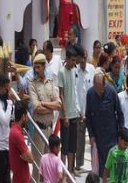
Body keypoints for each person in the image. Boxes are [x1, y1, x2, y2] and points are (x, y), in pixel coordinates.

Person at [29, 53, 62, 182]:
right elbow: (37, 108)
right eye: (35, 67)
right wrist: (50, 106)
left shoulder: (50, 82)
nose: (36, 70)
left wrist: (45, 103)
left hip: (49, 129)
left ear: (44, 67)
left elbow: (59, 104)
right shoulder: (32, 84)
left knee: (49, 166)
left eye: (38, 67)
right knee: (38, 166)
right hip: (39, 129)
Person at [86, 72, 125, 177]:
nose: (98, 92)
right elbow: (88, 116)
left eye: (100, 89)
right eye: (96, 89)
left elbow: (120, 114)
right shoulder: (90, 94)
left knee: (112, 168)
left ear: (104, 85)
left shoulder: (111, 92)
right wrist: (91, 135)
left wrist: (121, 135)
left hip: (112, 137)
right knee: (100, 169)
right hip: (97, 138)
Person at [58, 45, 80, 173]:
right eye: (72, 60)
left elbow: (74, 91)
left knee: (73, 145)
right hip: (65, 115)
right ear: (67, 59)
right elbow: (61, 94)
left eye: (75, 60)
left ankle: (70, 171)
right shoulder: (62, 72)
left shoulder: (73, 70)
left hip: (74, 113)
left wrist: (79, 110)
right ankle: (62, 171)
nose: (74, 62)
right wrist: (65, 115)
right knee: (64, 146)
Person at [76, 46, 95, 172]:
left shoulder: (92, 69)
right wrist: (79, 111)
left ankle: (95, 165)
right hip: (79, 111)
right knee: (79, 139)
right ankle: (78, 164)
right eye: (81, 58)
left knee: (94, 138)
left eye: (84, 57)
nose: (83, 60)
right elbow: (75, 92)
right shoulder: (74, 71)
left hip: (92, 111)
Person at [8, 100, 33, 183]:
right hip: (20, 179)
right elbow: (30, 158)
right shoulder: (16, 134)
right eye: (26, 115)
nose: (27, 118)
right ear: (23, 116)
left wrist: (24, 155)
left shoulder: (15, 130)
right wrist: (25, 155)